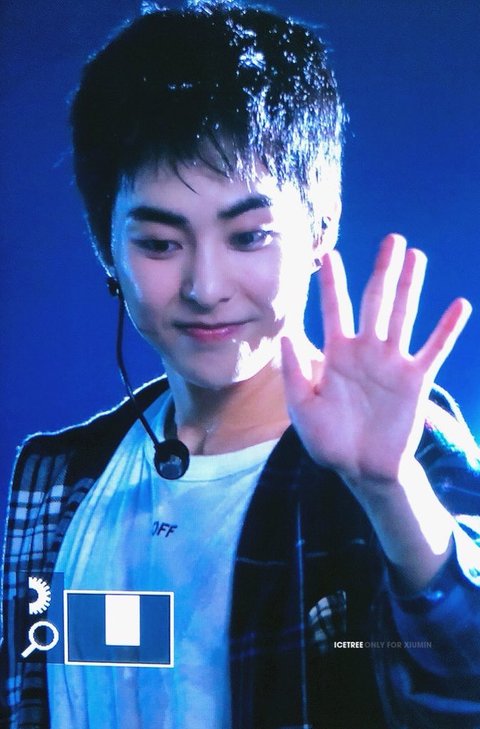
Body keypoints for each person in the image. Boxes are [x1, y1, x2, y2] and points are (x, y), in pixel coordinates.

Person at [1, 1, 480, 727]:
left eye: (249, 236)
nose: (205, 286)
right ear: (107, 250)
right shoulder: (61, 477)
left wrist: (389, 491)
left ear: (321, 229)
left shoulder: (392, 443)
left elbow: (462, 676)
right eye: (159, 243)